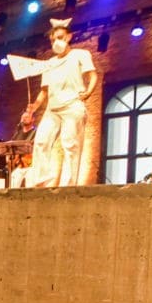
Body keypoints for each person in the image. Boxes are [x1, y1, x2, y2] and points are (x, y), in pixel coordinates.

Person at [22, 18, 99, 188]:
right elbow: (44, 90)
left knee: (70, 144)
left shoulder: (80, 54)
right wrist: (34, 107)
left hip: (72, 105)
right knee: (41, 141)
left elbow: (93, 75)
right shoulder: (49, 63)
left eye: (60, 37)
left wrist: (88, 92)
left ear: (68, 37)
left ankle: (68, 186)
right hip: (53, 108)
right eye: (52, 40)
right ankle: (42, 180)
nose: (56, 42)